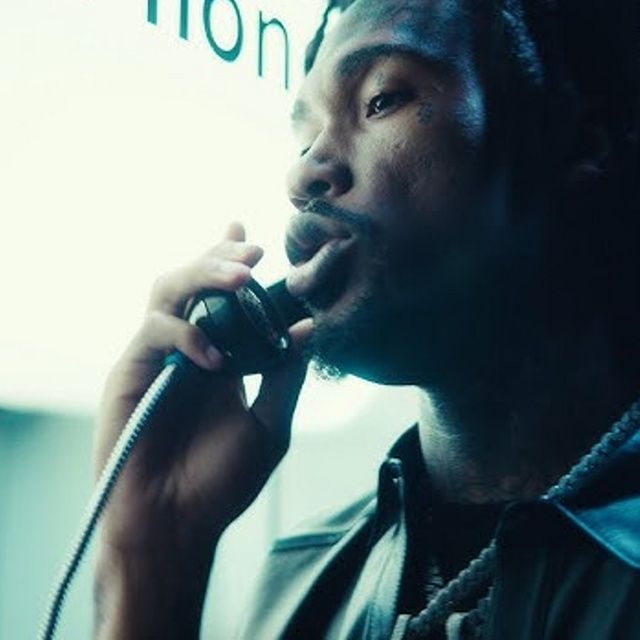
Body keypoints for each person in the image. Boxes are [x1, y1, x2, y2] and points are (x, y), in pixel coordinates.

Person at [93, 0, 640, 638]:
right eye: (305, 137)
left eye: (382, 100)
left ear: (575, 140)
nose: (303, 172)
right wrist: (153, 558)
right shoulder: (295, 585)